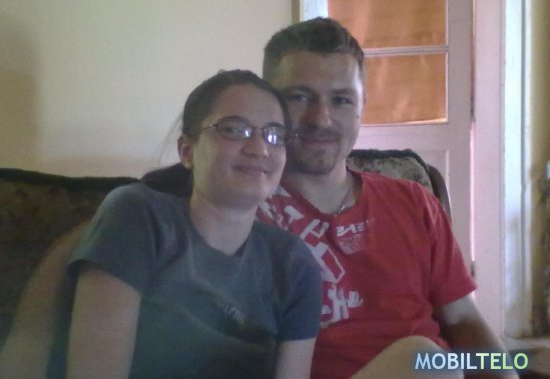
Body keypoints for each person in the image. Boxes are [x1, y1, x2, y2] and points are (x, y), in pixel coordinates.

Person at [1, 19, 517, 379]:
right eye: (299, 97)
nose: (321, 118)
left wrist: (509, 369)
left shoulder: (413, 200)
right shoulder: (231, 187)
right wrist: (23, 352)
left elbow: (464, 321)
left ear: (362, 109)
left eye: (341, 100)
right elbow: (93, 241)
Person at [40, 69, 322, 379]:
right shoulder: (137, 216)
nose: (260, 148)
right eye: (233, 129)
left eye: (274, 135)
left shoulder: (295, 264)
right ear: (187, 151)